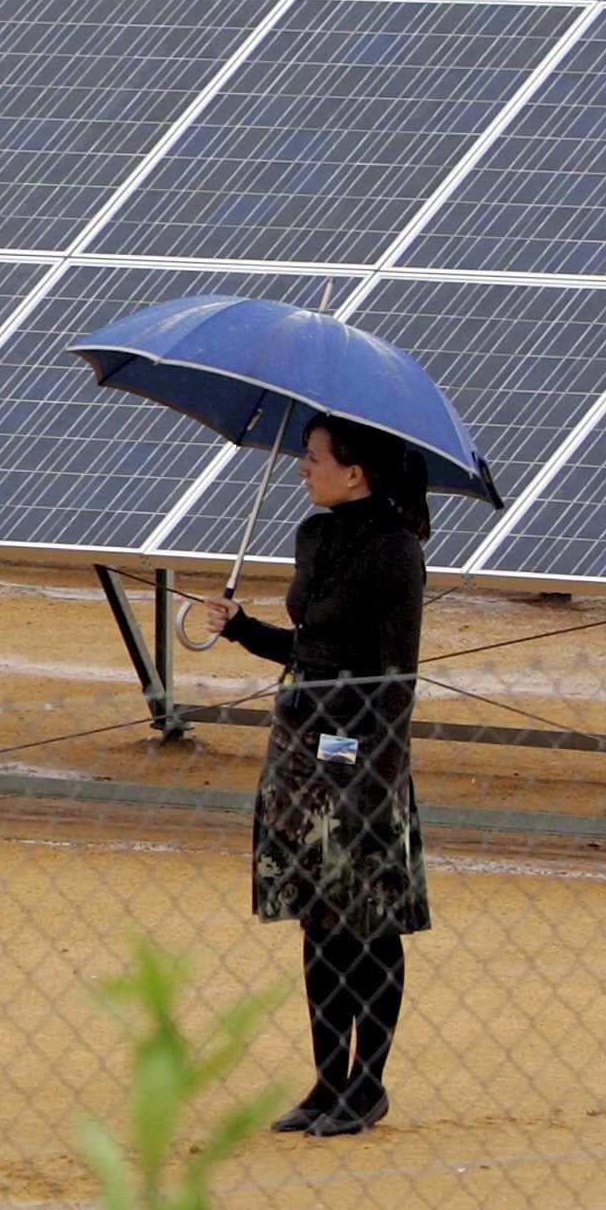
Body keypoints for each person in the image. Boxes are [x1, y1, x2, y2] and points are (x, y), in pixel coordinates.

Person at [201, 414, 430, 1138]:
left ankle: (368, 1084)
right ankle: (328, 1079)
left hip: (361, 751)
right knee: (319, 917)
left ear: (355, 471)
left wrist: (372, 784)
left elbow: (395, 679)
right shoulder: (314, 534)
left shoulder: (396, 551)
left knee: (369, 920)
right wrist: (241, 626)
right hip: (301, 745)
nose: (303, 468)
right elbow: (309, 645)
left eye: (314, 457)